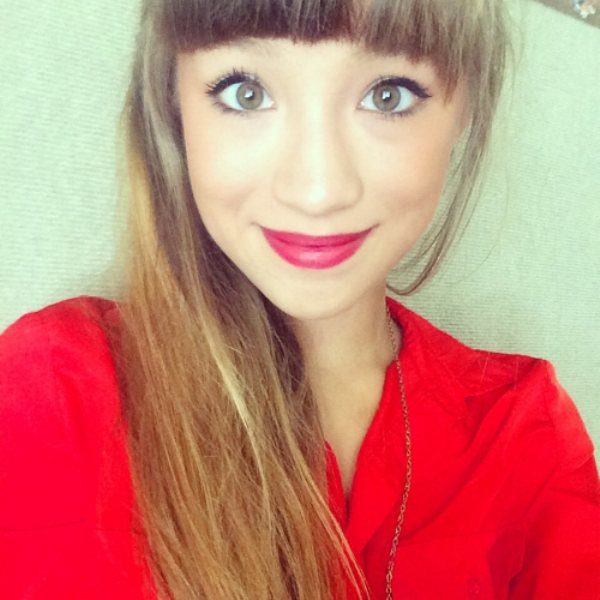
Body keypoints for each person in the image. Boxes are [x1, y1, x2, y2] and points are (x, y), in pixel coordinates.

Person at [0, 0, 598, 598]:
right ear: (172, 101)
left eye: (388, 94)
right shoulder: (55, 392)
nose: (318, 191)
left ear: (464, 106)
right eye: (246, 93)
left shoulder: (524, 440)